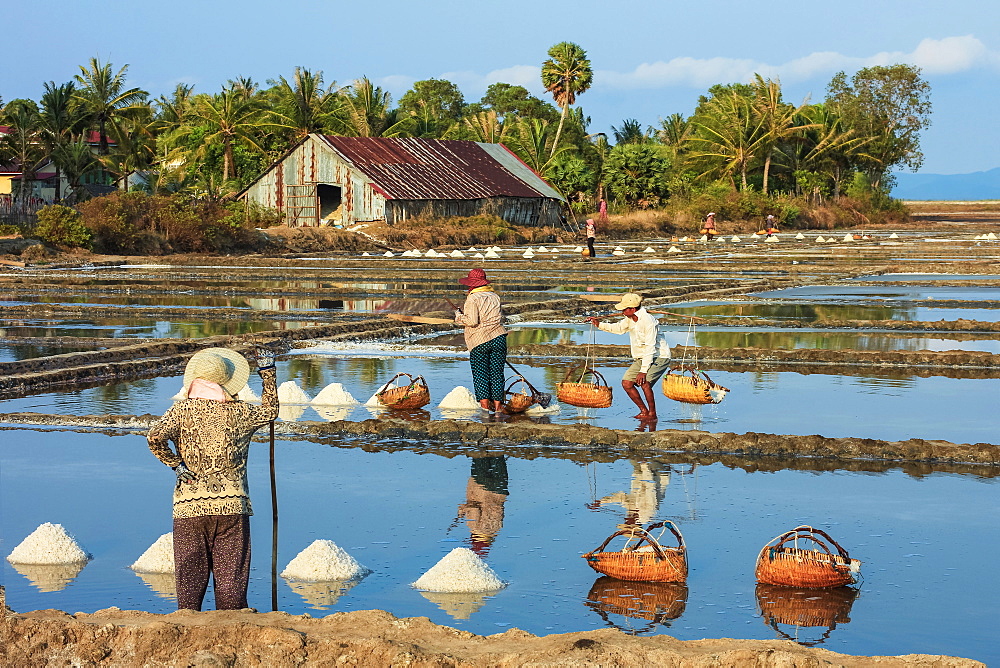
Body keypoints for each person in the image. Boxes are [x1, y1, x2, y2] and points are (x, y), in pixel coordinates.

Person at [147, 346, 278, 611]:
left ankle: (187, 628)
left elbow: (155, 437)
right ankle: (230, 629)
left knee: (189, 578)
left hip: (189, 505)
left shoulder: (181, 411)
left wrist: (176, 464)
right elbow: (270, 411)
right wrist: (268, 372)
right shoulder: (240, 412)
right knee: (231, 576)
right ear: (227, 382)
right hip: (232, 505)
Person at [585, 293, 671, 420]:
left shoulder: (648, 322)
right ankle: (644, 411)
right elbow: (618, 328)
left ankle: (652, 414)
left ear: (633, 309)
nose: (622, 312)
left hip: (659, 356)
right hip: (642, 357)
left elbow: (650, 347)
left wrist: (643, 371)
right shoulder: (630, 319)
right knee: (627, 383)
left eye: (624, 309)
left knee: (644, 382)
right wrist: (599, 324)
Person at [455, 268, 508, 412]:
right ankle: (498, 408)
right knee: (497, 374)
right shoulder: (494, 296)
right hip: (498, 338)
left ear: (471, 284)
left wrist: (459, 316)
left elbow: (472, 321)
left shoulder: (472, 298)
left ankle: (485, 409)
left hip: (479, 341)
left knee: (480, 374)